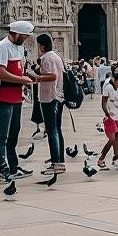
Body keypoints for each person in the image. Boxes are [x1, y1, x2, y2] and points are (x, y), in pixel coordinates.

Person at [0, 21, 36, 181]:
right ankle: (4, 169)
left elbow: (19, 70)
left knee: (14, 134)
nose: (25, 40)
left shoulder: (19, 48)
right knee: (2, 135)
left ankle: (14, 166)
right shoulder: (2, 47)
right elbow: (1, 73)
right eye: (24, 36)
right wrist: (21, 79)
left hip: (16, 97)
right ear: (16, 33)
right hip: (3, 96)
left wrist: (30, 77)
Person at [33, 34, 66, 177]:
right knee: (57, 129)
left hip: (50, 97)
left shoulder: (47, 57)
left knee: (51, 130)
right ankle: (59, 160)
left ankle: (56, 163)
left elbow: (53, 76)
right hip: (57, 97)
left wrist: (36, 77)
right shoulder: (55, 56)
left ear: (41, 45)